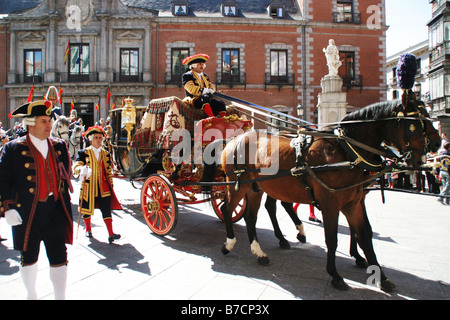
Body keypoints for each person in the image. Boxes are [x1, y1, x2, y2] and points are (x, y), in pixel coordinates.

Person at [0, 100, 73, 300]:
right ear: (30, 123)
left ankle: (60, 297)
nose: (49, 125)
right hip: (27, 211)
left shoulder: (60, 146)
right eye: (43, 121)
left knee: (60, 256)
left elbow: (65, 175)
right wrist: (8, 207)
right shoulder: (13, 149)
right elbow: (3, 179)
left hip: (55, 210)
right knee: (29, 257)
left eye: (50, 120)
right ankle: (31, 294)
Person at [74, 125, 122, 243]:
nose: (98, 140)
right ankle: (88, 229)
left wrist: (111, 184)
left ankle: (111, 233)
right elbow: (76, 166)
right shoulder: (83, 152)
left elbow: (108, 171)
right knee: (86, 209)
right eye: (96, 137)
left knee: (106, 210)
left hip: (103, 186)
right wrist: (81, 169)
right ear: (90, 138)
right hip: (88, 186)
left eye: (100, 137)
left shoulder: (106, 154)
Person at [182, 53, 227, 117]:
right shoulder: (187, 75)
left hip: (206, 99)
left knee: (221, 103)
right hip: (193, 100)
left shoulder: (205, 76)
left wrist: (211, 90)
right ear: (194, 65)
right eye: (200, 64)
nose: (202, 66)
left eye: (203, 64)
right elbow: (191, 89)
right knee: (205, 98)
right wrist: (205, 90)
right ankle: (211, 118)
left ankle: (223, 120)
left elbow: (211, 86)